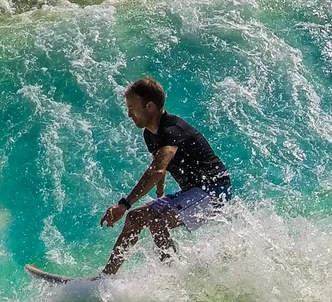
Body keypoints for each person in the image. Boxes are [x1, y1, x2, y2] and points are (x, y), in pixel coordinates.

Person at [98, 77, 232, 275]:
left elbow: (157, 170)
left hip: (214, 190)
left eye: (132, 108)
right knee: (135, 218)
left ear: (149, 106)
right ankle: (105, 277)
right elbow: (159, 166)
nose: (129, 114)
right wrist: (160, 195)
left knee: (157, 219)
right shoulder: (150, 133)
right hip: (193, 191)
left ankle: (173, 278)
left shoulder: (172, 131)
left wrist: (124, 205)